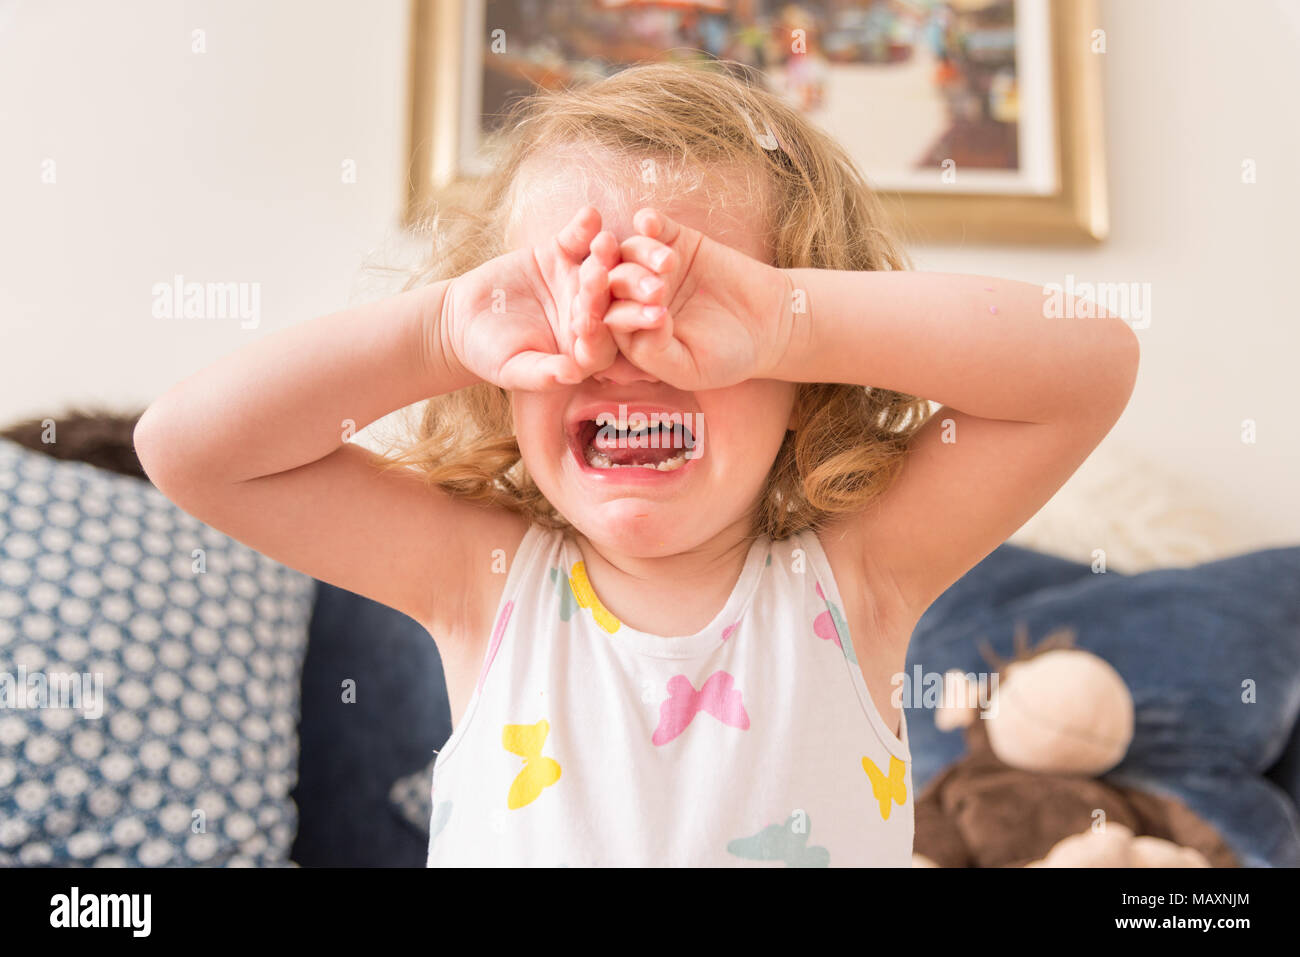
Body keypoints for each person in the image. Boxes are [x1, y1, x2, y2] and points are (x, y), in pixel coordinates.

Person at [134, 63, 1138, 867]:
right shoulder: (480, 584)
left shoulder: (857, 580)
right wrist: (443, 326)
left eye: (691, 315)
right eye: (563, 308)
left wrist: (783, 315)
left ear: (802, 381)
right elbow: (187, 450)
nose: (626, 353)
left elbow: (1089, 365)